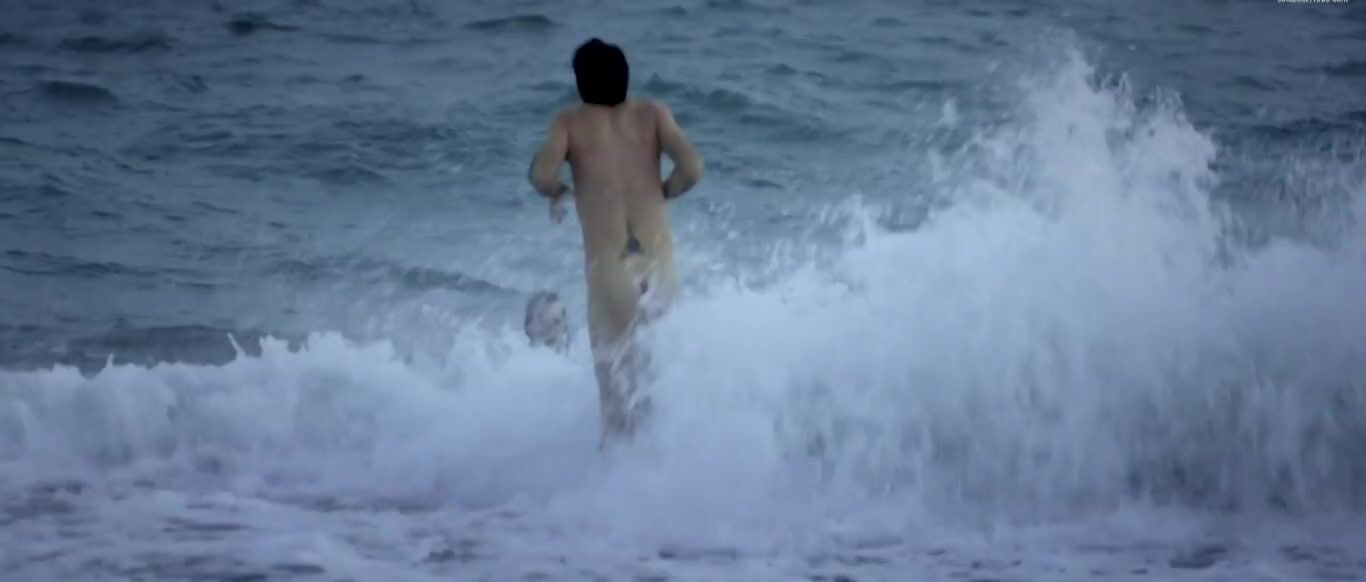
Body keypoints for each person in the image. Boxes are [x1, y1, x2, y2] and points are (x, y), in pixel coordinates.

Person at [527, 38, 703, 441]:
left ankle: (616, 478)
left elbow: (541, 176)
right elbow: (693, 169)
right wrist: (664, 191)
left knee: (616, 411)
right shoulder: (653, 114)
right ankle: (674, 471)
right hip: (659, 274)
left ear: (580, 82)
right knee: (662, 392)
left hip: (611, 279)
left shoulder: (569, 123)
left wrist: (559, 192)